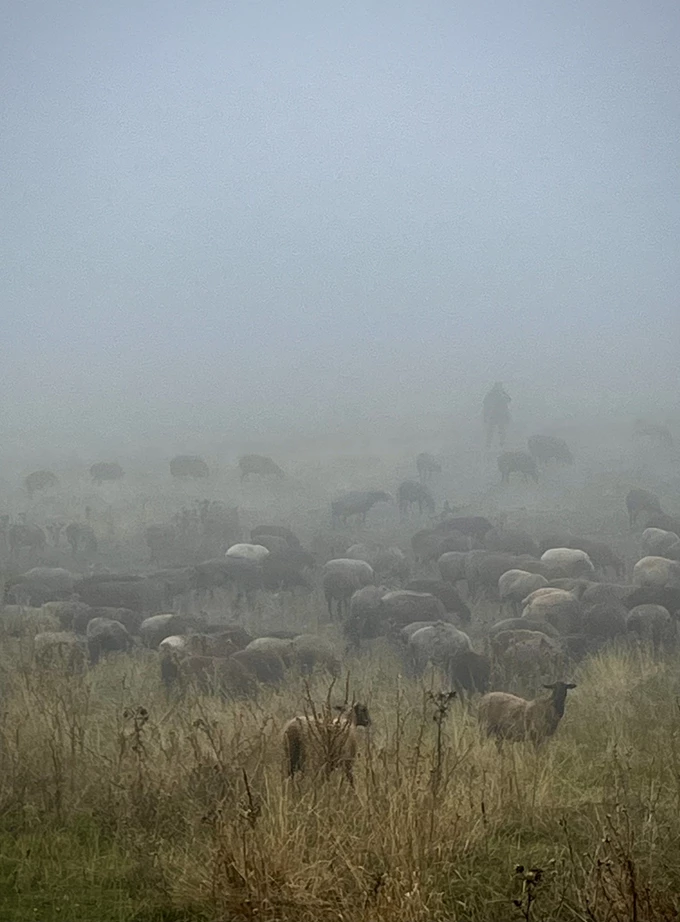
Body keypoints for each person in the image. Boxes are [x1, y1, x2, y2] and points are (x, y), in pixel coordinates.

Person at [483, 382, 511, 449]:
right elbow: (485, 403)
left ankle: (501, 444)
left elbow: (509, 400)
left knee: (500, 430)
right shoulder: (492, 394)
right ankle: (489, 444)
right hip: (494, 414)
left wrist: (503, 393)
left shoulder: (501, 394)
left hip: (500, 415)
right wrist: (485, 415)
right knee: (492, 430)